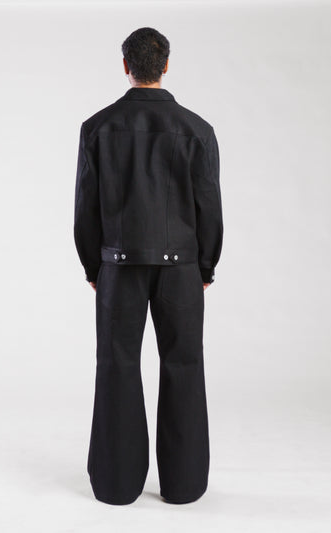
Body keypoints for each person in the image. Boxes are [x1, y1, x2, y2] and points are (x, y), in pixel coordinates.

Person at [74, 27, 223, 505]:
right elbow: (209, 205)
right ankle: (184, 486)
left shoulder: (97, 127)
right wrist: (205, 266)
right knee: (184, 365)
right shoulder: (197, 129)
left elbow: (85, 207)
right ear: (166, 66)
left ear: (126, 66)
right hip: (181, 269)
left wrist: (94, 266)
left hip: (118, 265)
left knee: (116, 366)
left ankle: (116, 486)